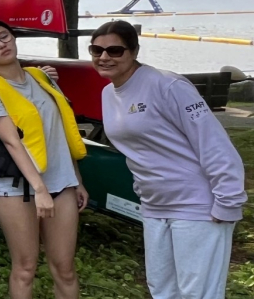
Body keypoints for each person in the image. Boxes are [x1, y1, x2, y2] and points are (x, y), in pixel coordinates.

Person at [91, 20, 246, 299]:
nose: (104, 57)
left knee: (198, 294)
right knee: (162, 291)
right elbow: (139, 150)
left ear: (134, 51)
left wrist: (228, 201)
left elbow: (213, 144)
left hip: (198, 204)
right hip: (154, 206)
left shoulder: (168, 85)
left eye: (115, 50)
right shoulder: (108, 93)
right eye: (96, 50)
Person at [0, 20, 87, 299]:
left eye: (4, 36)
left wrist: (77, 180)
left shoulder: (41, 77)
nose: (1, 44)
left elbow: (61, 133)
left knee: (65, 268)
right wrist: (40, 189)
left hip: (61, 183)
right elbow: (11, 141)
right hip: (17, 188)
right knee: (25, 267)